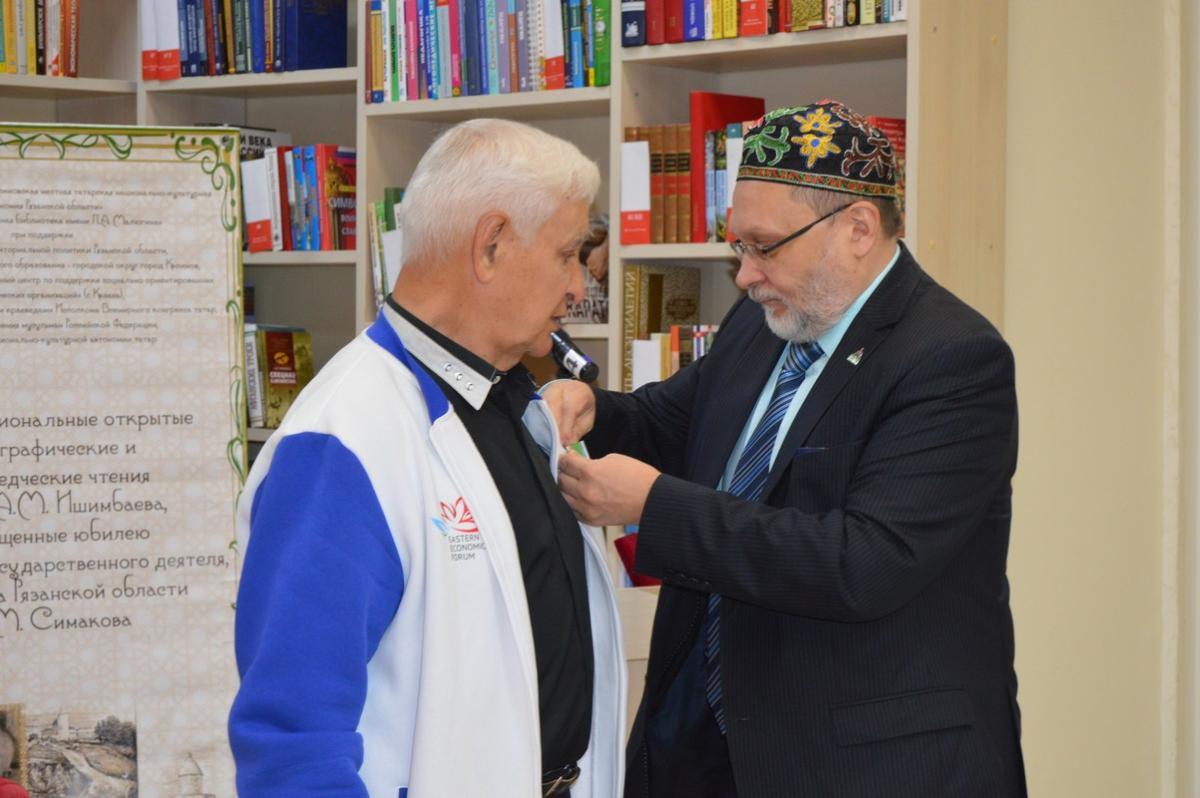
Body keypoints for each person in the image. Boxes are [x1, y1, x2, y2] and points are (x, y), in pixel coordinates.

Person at [550, 101, 1026, 797]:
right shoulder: (766, 319)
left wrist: (655, 506)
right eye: (738, 246)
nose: (745, 275)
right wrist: (597, 410)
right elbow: (676, 423)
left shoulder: (953, 358)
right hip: (705, 743)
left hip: (864, 764)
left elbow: (862, 562)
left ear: (858, 228)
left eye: (765, 246)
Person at [229, 118, 626, 798]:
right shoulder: (342, 441)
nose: (577, 285)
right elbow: (291, 741)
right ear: (490, 245)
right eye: (567, 254)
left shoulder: (509, 399)